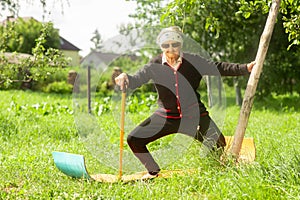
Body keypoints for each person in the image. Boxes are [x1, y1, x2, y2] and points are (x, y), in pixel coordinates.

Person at [115, 26, 255, 179]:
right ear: (161, 46)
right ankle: (153, 171)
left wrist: (245, 68)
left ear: (180, 44)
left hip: (194, 116)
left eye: (174, 44)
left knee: (219, 144)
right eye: (166, 45)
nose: (170, 48)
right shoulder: (153, 64)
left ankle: (214, 168)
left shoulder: (193, 61)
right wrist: (125, 77)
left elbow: (218, 67)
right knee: (134, 139)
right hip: (166, 117)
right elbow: (135, 80)